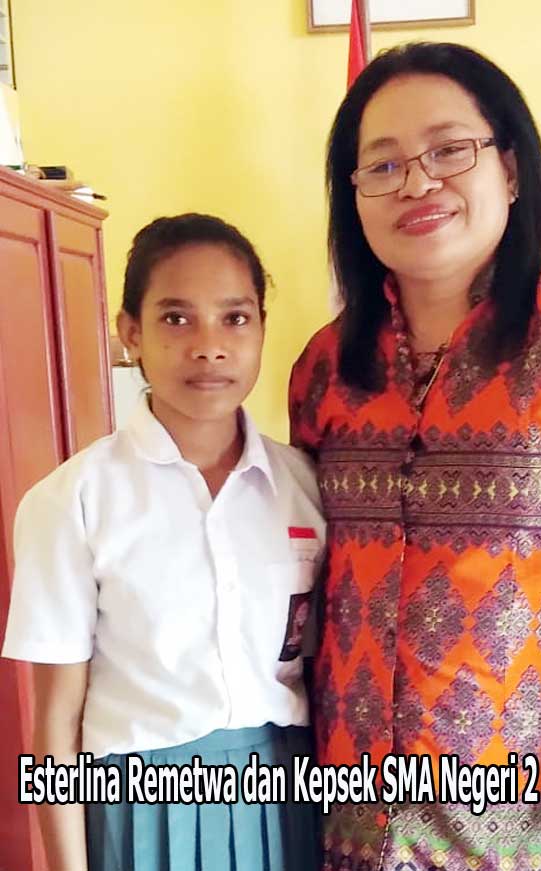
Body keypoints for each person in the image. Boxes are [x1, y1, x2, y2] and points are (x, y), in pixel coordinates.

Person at [289, 42, 541, 871]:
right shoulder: (325, 366)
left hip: (525, 824)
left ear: (512, 169)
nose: (416, 183)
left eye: (447, 150)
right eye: (381, 165)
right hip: (348, 817)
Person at [2, 213, 324, 871]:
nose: (209, 346)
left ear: (261, 328)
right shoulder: (73, 500)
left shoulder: (305, 486)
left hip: (286, 798)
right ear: (131, 333)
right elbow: (56, 723)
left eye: (234, 318)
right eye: (177, 318)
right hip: (141, 811)